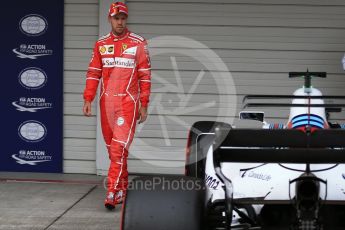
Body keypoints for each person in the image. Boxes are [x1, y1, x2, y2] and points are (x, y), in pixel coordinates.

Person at [82, 1, 151, 210]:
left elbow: (145, 76)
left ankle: (112, 192)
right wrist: (88, 98)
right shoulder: (101, 44)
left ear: (126, 19)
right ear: (109, 19)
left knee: (118, 150)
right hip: (106, 105)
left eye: (123, 18)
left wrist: (144, 104)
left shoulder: (138, 43)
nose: (119, 22)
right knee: (114, 151)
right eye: (116, 18)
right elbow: (93, 72)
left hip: (128, 103)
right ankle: (122, 188)